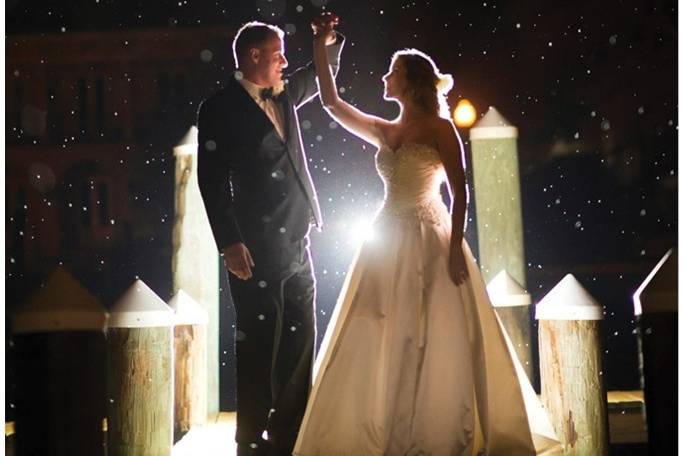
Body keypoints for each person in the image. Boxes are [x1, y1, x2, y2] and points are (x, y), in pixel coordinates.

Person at [293, 14, 561, 455]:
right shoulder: (385, 129)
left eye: (392, 71)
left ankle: (436, 428)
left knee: (434, 330)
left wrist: (455, 249)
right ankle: (382, 425)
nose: (384, 76)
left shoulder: (440, 129)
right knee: (378, 327)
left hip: (430, 234)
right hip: (385, 237)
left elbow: (461, 191)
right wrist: (322, 47)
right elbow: (331, 103)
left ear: (411, 81)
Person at [196, 16, 344, 456]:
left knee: (301, 335)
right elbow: (211, 180)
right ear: (254, 56)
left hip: (300, 236)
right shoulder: (219, 108)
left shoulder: (285, 93)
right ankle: (250, 435)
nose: (285, 60)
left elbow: (322, 74)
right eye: (278, 52)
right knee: (260, 338)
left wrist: (327, 40)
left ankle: (291, 428)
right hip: (255, 243)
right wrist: (229, 242)